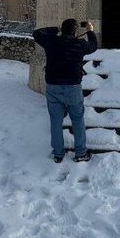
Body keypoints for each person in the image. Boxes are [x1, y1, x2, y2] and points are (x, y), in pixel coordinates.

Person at [33, 19, 98, 163]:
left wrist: (54, 29)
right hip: (73, 87)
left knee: (55, 121)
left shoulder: (51, 41)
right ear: (75, 31)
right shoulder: (80, 44)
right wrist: (90, 30)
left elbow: (36, 33)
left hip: (53, 86)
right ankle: (80, 153)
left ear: (62, 29)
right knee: (77, 119)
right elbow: (94, 46)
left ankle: (58, 153)